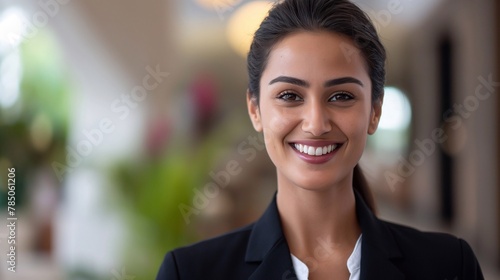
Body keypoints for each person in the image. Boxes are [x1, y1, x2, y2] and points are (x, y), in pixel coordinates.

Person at [156, 0, 484, 279]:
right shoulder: (191, 272)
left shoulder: (448, 265)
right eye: (289, 95)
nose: (315, 124)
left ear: (374, 111)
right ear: (255, 110)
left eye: (341, 96)